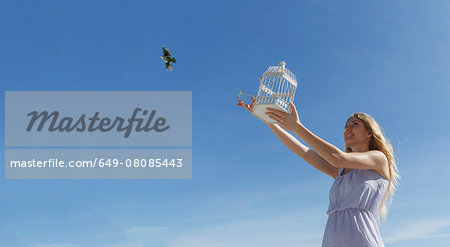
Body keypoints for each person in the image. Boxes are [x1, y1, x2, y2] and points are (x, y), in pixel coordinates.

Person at [237, 97, 400, 247]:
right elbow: (303, 151)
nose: (347, 129)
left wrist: (297, 127)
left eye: (354, 124)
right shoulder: (340, 171)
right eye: (345, 127)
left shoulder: (379, 159)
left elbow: (337, 157)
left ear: (369, 132)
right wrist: (269, 122)